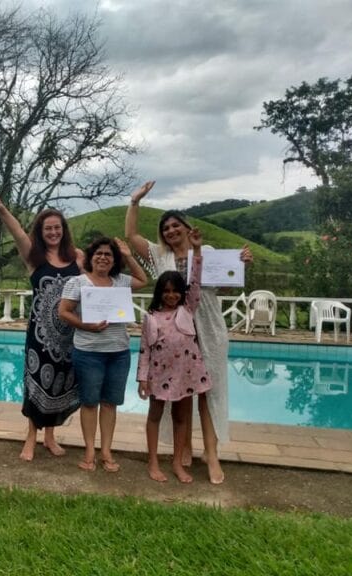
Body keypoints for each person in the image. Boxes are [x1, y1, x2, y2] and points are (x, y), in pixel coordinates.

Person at [125, 180, 252, 484]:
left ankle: (212, 454)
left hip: (208, 326)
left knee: (209, 392)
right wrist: (135, 201)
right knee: (180, 392)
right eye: (166, 228)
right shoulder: (160, 256)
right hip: (175, 333)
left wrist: (242, 264)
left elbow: (226, 283)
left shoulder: (205, 250)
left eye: (175, 225)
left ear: (186, 227)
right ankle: (186, 448)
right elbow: (131, 236)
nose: (170, 231)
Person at [0, 195, 83, 461]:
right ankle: (31, 437)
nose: (53, 232)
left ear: (63, 230)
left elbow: (98, 280)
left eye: (57, 227)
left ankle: (50, 437)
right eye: (47, 228)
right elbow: (17, 231)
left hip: (70, 335)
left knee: (61, 385)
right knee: (37, 384)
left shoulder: (77, 257)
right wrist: (2, 208)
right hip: (41, 336)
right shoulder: (34, 257)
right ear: (41, 232)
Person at [58, 237, 147, 472]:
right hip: (88, 352)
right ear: (90, 257)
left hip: (118, 352)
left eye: (109, 254)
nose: (103, 257)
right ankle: (89, 450)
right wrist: (86, 325)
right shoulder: (78, 282)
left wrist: (128, 254)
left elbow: (143, 280)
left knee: (110, 404)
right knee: (89, 403)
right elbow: (63, 311)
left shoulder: (121, 281)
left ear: (114, 260)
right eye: (99, 253)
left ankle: (106, 451)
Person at [137, 227, 211, 484]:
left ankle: (178, 462)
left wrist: (197, 250)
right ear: (159, 293)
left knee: (181, 419)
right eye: (166, 291)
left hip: (185, 375)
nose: (171, 295)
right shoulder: (151, 318)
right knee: (155, 416)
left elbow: (196, 282)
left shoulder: (187, 310)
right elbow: (144, 351)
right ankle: (153, 461)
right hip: (159, 376)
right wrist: (142, 379)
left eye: (175, 291)